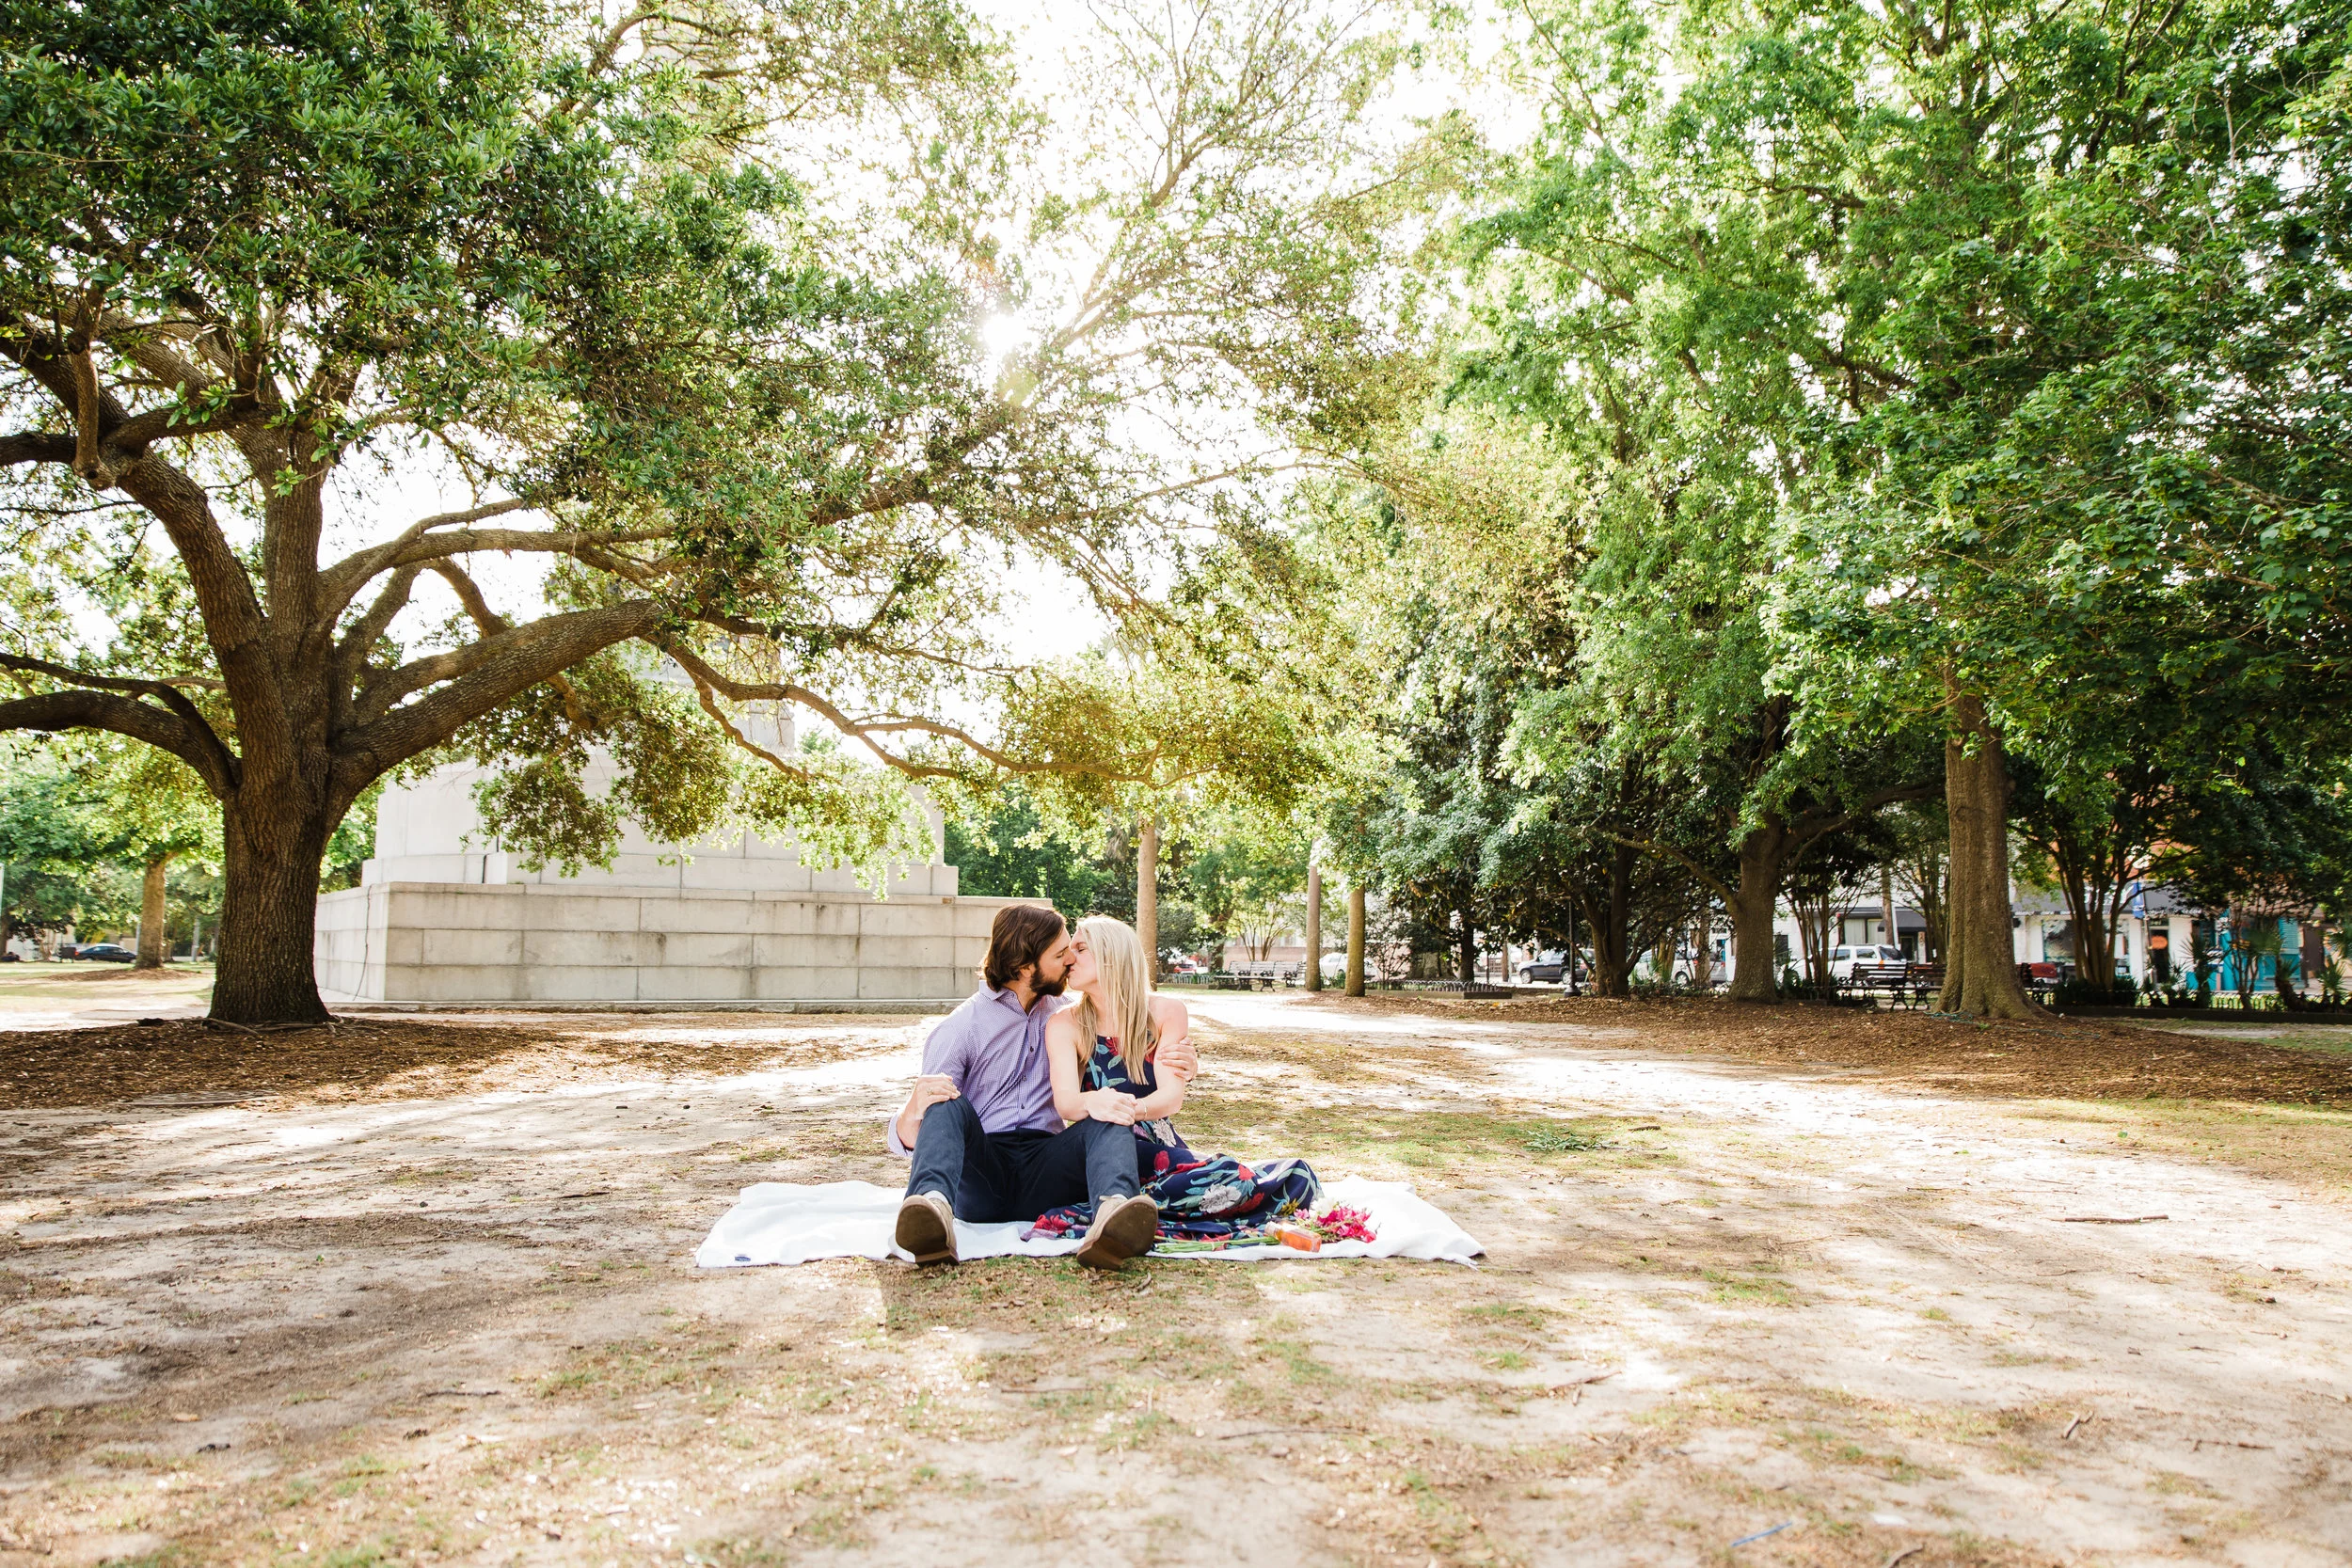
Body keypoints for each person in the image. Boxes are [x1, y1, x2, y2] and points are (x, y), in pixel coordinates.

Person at [888, 904, 1196, 1270]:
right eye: (1060, 954)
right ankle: (931, 1212)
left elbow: (1120, 1032)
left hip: (1046, 1165)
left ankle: (1114, 1214)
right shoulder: (961, 1029)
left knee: (1106, 1107)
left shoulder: (1068, 1014)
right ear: (1024, 967)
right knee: (942, 1098)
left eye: (1073, 950)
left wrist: (1180, 1059)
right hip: (983, 1171)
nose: (1069, 960)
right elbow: (916, 1134)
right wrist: (912, 1110)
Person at [1038, 916, 1320, 1244]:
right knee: (1237, 1179)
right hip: (1104, 1150)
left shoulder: (1165, 1011)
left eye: (1080, 948)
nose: (1069, 957)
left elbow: (1172, 1098)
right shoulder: (1064, 1023)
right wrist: (1111, 1114)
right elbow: (1068, 1104)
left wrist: (1125, 1108)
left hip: (1160, 1146)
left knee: (1298, 1175)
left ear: (1111, 955)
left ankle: (1131, 1211)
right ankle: (1119, 1208)